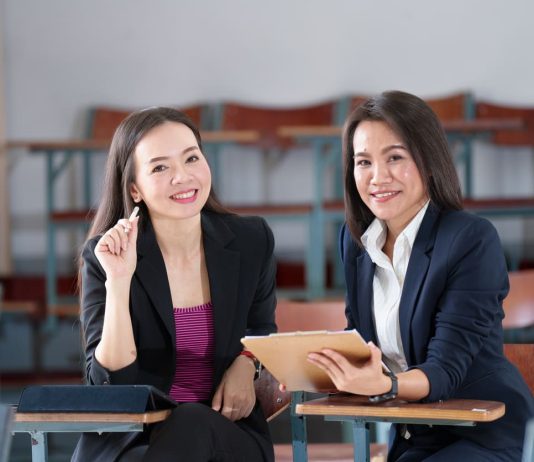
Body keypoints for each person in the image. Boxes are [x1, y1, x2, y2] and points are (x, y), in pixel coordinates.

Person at [307, 91, 534, 461]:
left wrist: (386, 384)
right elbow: (365, 348)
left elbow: (445, 369)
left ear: (428, 160)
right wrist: (314, 371)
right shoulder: (355, 244)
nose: (378, 177)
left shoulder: (470, 239)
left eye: (395, 157)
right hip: (415, 435)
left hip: (482, 433)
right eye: (363, 162)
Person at [72, 107, 277, 462]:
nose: (183, 177)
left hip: (225, 433)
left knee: (192, 420)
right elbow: (109, 386)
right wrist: (119, 283)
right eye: (160, 167)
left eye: (191, 158)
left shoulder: (251, 240)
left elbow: (261, 328)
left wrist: (247, 363)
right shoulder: (104, 256)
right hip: (134, 439)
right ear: (134, 189)